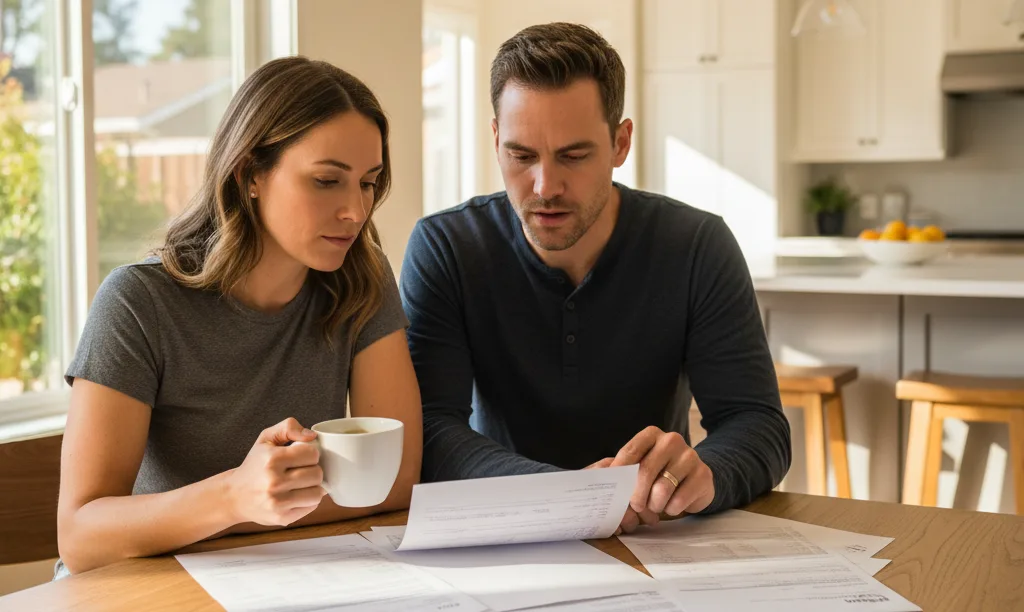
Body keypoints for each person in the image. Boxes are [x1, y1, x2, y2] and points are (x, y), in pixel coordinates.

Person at [400, 22, 790, 532]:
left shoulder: (696, 245)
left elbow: (757, 423)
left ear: (620, 143)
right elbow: (428, 429)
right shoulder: (446, 247)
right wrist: (564, 495)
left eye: (574, 155)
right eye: (520, 155)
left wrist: (706, 473)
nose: (545, 185)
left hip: (656, 536)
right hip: (506, 533)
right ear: (496, 139)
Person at [55, 56, 422, 576]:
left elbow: (398, 478)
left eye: (367, 183)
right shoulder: (137, 303)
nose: (356, 212)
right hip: (144, 586)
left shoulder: (361, 279)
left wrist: (259, 507)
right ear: (250, 173)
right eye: (326, 181)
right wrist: (235, 496)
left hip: (281, 574)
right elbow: (81, 538)